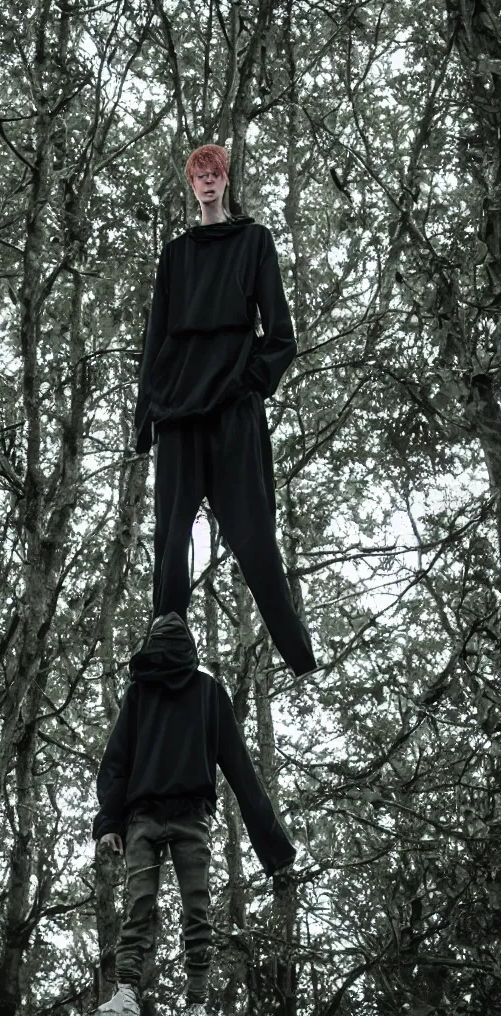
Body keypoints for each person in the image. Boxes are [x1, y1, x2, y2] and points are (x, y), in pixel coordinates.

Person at [133, 143, 316, 676]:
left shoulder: (254, 241)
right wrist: (146, 418)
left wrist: (248, 382)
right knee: (170, 544)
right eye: (199, 175)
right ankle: (164, 660)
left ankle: (300, 658)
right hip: (179, 415)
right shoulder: (175, 255)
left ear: (226, 180)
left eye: (215, 173)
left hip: (233, 413)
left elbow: (281, 334)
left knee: (255, 535)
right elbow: (155, 339)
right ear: (191, 185)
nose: (207, 182)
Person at [93, 612, 296, 1015]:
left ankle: (144, 996)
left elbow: (114, 763)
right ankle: (191, 1002)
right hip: (178, 817)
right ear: (191, 647)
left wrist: (109, 823)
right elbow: (241, 769)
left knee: (142, 908)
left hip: (148, 817)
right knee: (194, 910)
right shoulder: (200, 690)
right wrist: (276, 851)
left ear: (149, 645)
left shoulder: (169, 693)